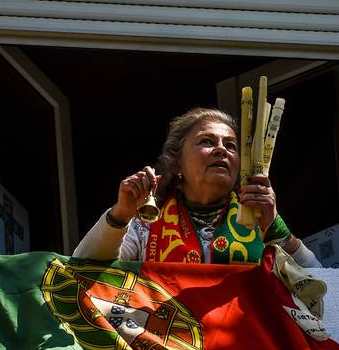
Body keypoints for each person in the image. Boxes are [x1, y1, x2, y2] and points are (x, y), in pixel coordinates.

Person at [74, 107, 321, 267]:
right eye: (207, 141)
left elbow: (320, 284)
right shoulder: (146, 223)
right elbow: (83, 269)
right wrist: (121, 213)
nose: (222, 149)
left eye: (231, 146)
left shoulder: (259, 221)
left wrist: (274, 224)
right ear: (177, 161)